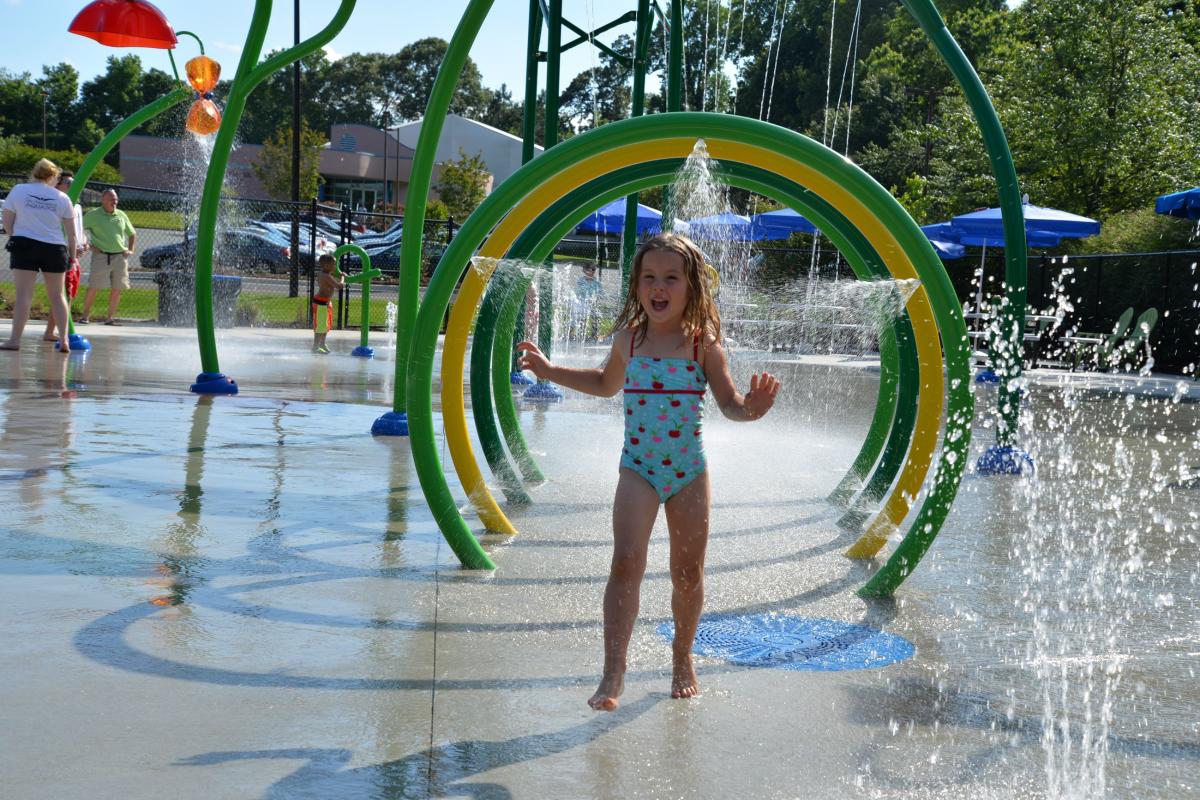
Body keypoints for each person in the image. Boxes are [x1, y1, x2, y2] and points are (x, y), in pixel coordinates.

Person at [517, 232, 782, 711]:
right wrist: (550, 371)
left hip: (687, 471)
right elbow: (603, 384)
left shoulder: (705, 347)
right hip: (637, 468)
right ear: (637, 286)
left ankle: (683, 658)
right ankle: (613, 671)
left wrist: (752, 408)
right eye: (649, 278)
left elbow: (730, 404)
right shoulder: (629, 341)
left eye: (671, 279)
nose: (659, 287)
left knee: (687, 572)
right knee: (625, 564)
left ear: (691, 287)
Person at [1, 158, 80, 353]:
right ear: (54, 176)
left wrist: (15, 237)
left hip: (25, 244)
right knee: (57, 295)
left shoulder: (19, 190)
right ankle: (64, 340)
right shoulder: (62, 198)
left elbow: (7, 220)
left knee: (24, 295)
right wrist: (72, 256)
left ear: (35, 172)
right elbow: (72, 234)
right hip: (54, 248)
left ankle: (15, 340)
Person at [43, 172, 88, 343]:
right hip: (64, 254)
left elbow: (78, 228)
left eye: (73, 182)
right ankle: (60, 332)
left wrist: (84, 243)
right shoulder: (57, 203)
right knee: (63, 294)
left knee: (69, 294)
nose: (72, 185)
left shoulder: (76, 206)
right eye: (68, 182)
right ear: (58, 185)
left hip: (75, 255)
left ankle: (52, 331)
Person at [81, 188, 136, 325]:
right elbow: (77, 229)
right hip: (101, 256)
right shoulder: (93, 215)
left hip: (120, 257)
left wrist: (130, 250)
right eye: (111, 199)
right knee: (94, 286)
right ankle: (85, 316)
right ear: (103, 200)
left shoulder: (121, 215)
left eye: (116, 199)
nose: (115, 202)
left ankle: (110, 318)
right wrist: (89, 246)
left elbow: (132, 233)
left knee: (117, 288)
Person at [312, 253, 344, 354]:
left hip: (325, 302)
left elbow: (332, 281)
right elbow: (339, 286)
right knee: (320, 326)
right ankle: (315, 346)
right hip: (321, 302)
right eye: (333, 264)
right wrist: (343, 277)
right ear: (326, 265)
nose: (335, 266)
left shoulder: (325, 274)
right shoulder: (325, 276)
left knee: (326, 326)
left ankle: (322, 344)